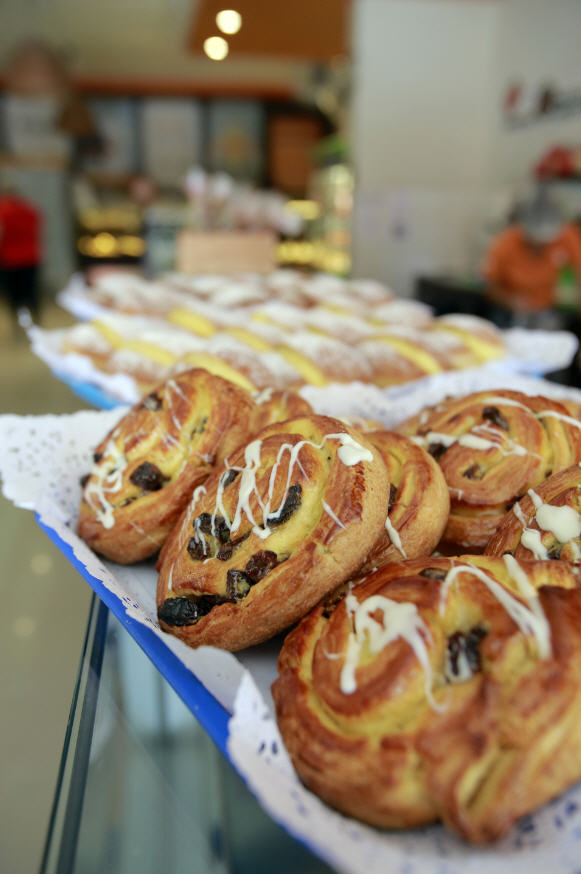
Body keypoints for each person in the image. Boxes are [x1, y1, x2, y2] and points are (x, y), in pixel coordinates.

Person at [483, 187, 581, 326]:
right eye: (534, 242)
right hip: (512, 314)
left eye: (546, 243)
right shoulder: (505, 242)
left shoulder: (568, 236)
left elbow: (578, 272)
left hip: (552, 312)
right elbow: (490, 285)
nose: (540, 247)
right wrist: (510, 301)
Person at [0, 187, 43, 330]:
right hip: (31, 257)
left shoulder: (3, 211)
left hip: (10, 259)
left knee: (14, 293)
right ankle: (35, 319)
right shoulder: (30, 209)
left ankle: (19, 322)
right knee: (31, 290)